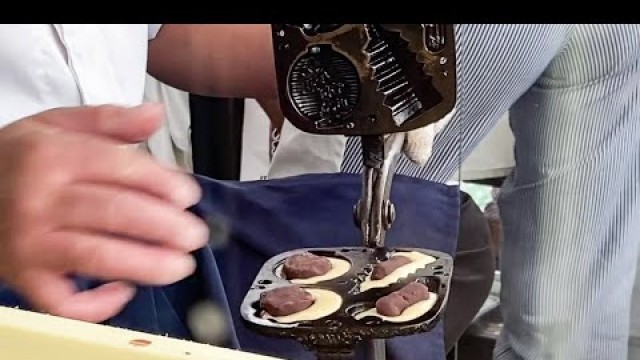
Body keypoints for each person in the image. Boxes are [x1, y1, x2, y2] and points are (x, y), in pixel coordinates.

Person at [0, 24, 639, 360]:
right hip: (27, 295)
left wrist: (336, 53)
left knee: (432, 252)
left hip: (128, 266)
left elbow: (161, 32)